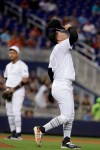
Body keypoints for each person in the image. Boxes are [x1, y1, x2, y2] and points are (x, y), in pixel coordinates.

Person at [34, 19, 81, 149]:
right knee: (66, 116)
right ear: (58, 36)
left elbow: (50, 72)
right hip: (62, 84)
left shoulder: (56, 51)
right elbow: (75, 36)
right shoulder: (61, 46)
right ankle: (41, 130)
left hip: (61, 84)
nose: (65, 33)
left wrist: (55, 85)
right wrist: (70, 27)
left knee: (70, 116)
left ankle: (66, 141)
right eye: (62, 32)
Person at [3, 46, 29, 140]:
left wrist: (14, 89)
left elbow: (25, 79)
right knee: (9, 113)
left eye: (13, 53)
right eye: (10, 53)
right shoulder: (8, 66)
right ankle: (13, 133)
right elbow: (6, 78)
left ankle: (18, 134)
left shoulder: (22, 65)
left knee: (16, 111)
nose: (11, 54)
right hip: (9, 91)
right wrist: (8, 88)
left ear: (17, 54)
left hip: (18, 91)